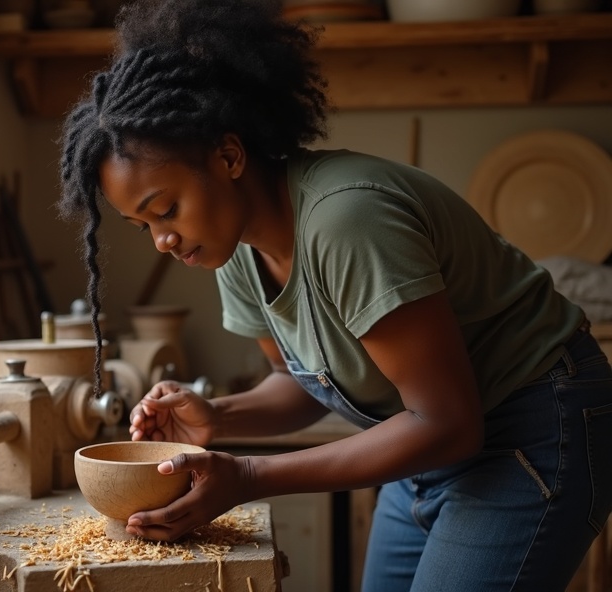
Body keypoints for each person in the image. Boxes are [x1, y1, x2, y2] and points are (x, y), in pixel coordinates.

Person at [57, 0, 612, 589]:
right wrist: (215, 416)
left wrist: (247, 474)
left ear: (229, 156)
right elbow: (304, 384)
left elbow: (449, 420)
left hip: (533, 422)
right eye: (143, 225)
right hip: (427, 439)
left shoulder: (348, 222)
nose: (164, 240)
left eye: (165, 209)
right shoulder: (234, 250)